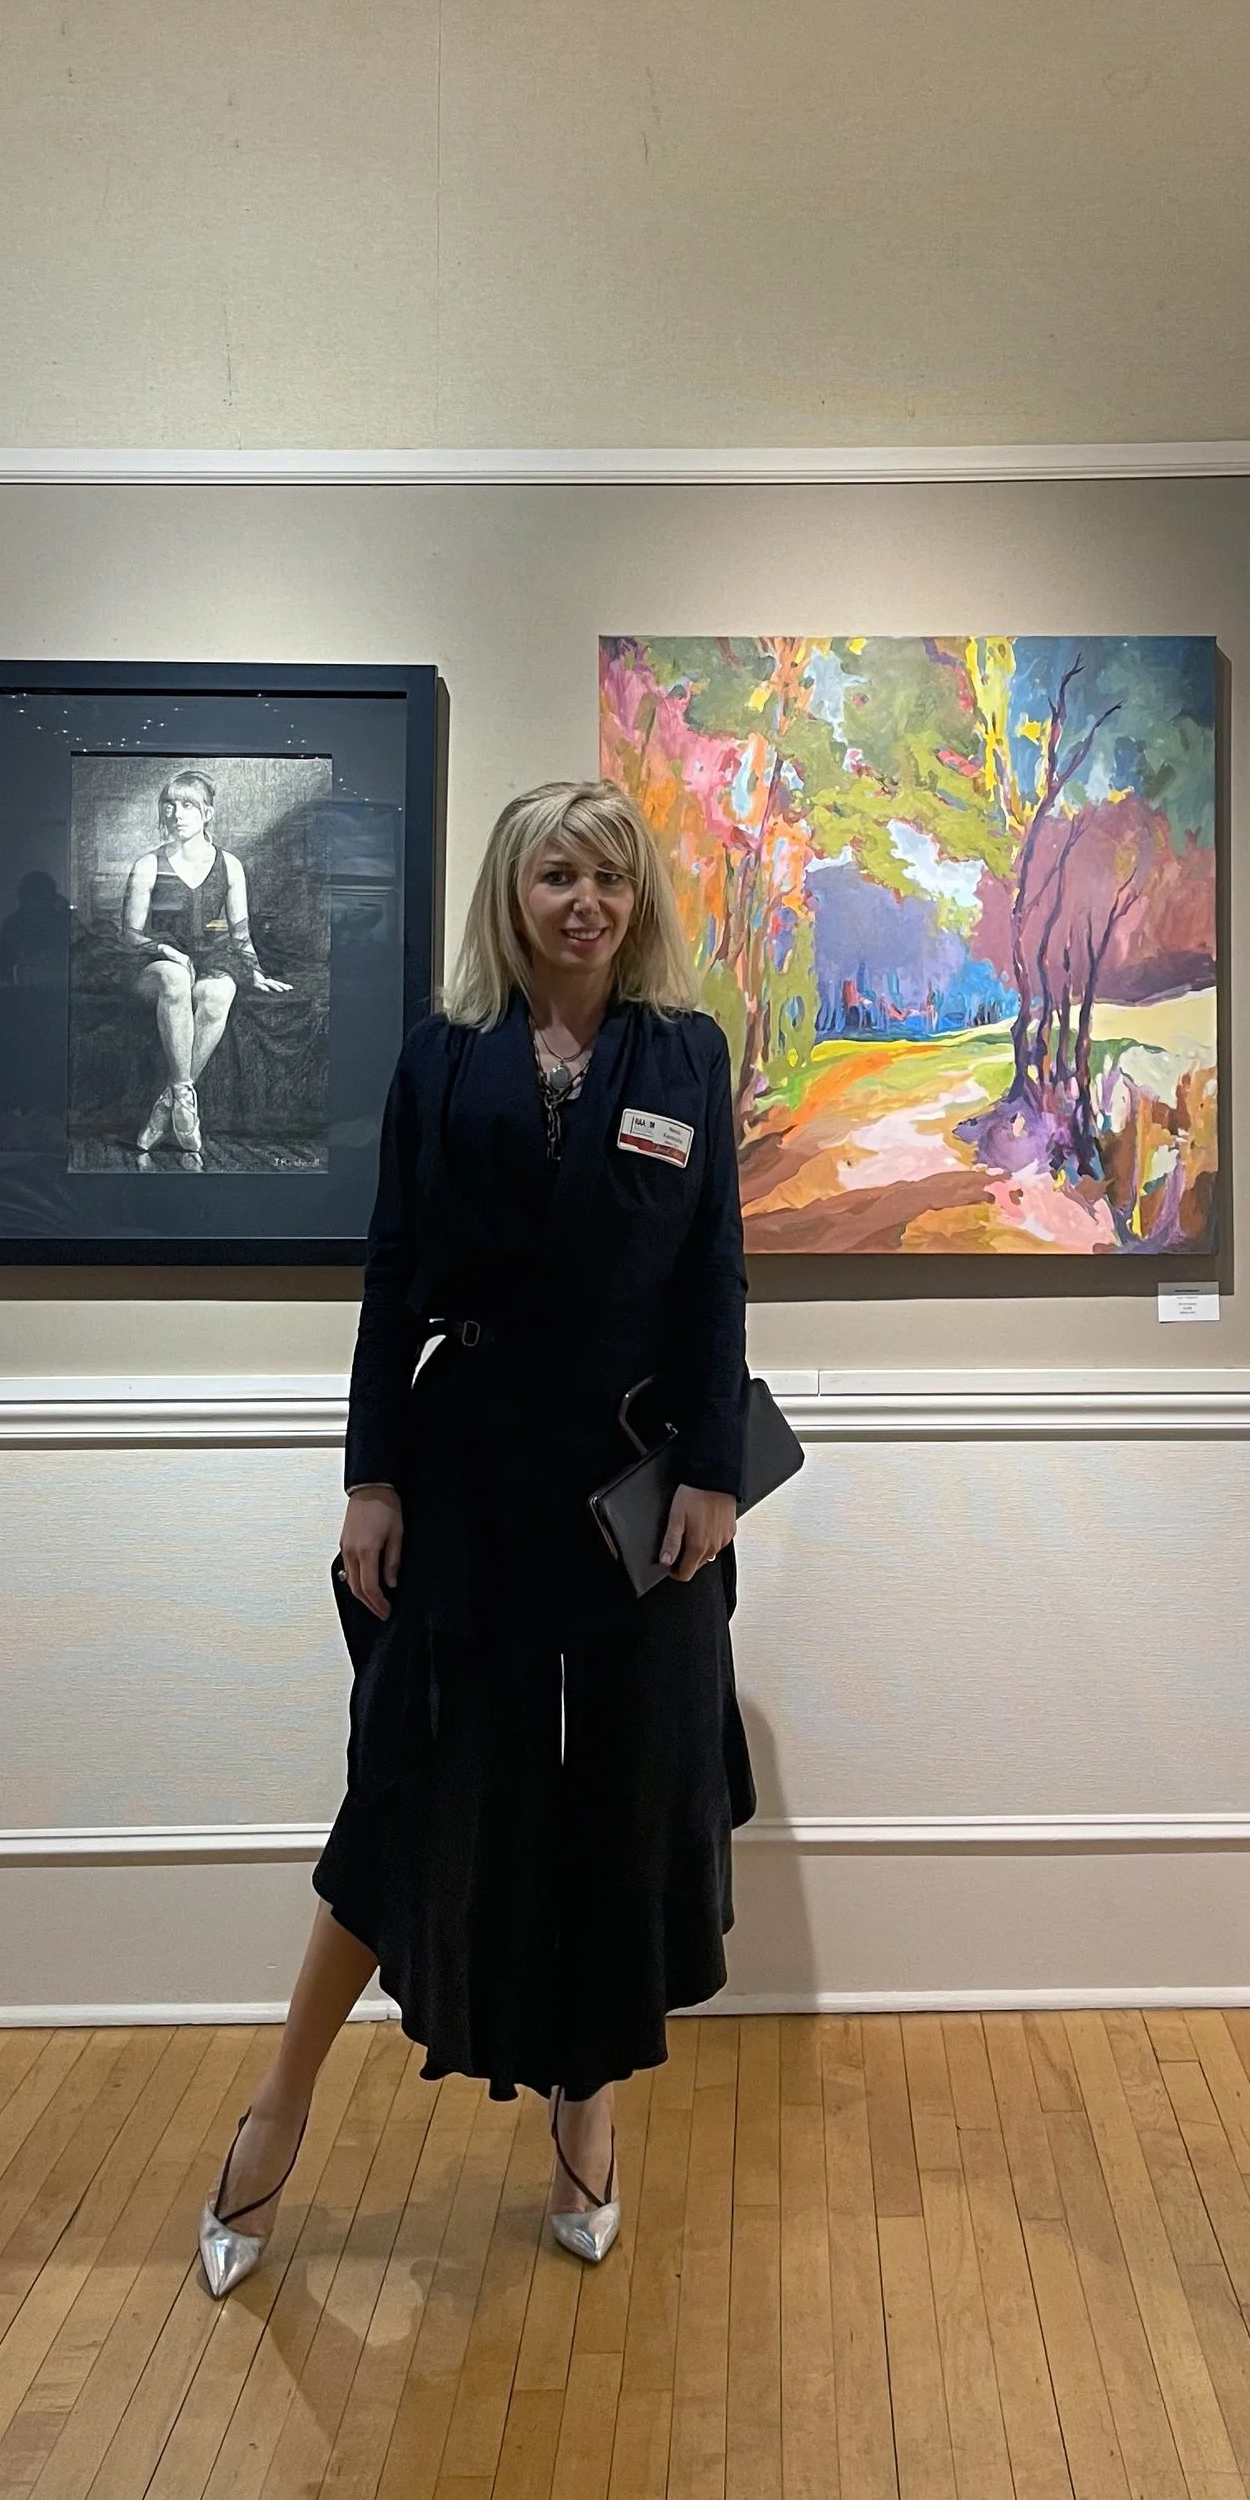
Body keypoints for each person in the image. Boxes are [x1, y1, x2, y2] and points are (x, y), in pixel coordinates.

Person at [196, 777, 752, 2297]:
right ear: (512, 894)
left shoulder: (686, 1054)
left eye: (610, 878)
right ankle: (279, 2105)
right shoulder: (443, 1058)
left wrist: (713, 1469)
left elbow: (714, 1273)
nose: (586, 902)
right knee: (408, 1787)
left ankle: (590, 2102)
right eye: (557, 875)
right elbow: (392, 1274)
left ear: (639, 901)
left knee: (623, 1794)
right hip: (469, 1474)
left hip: (641, 1488)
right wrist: (372, 1479)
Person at [120, 769, 291, 1167]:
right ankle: (180, 1101)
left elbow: (240, 933)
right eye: (170, 805)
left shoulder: (229, 865)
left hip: (208, 961)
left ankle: (174, 1098)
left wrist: (256, 972)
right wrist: (168, 950)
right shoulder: (148, 864)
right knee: (175, 976)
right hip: (151, 964)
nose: (177, 814)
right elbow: (129, 935)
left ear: (207, 813)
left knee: (222, 990)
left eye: (188, 806)